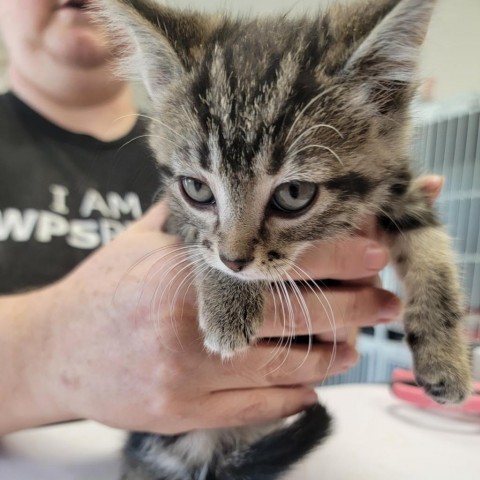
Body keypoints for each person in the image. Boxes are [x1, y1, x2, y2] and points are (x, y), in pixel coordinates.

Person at [0, 1, 438, 437]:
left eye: (292, 193)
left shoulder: (184, 128)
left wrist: (322, 315)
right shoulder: (182, 122)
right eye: (198, 190)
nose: (234, 252)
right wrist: (52, 350)